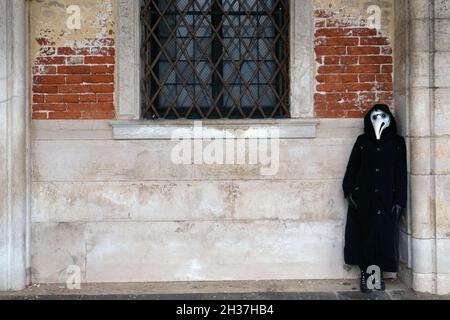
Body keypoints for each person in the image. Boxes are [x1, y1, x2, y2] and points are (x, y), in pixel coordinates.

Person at [343, 104, 407, 293]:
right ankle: (367, 275)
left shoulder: (397, 143)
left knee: (383, 237)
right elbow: (352, 167)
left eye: (382, 115)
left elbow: (401, 173)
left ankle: (376, 275)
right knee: (365, 235)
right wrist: (348, 191)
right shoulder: (362, 141)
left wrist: (400, 200)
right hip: (364, 197)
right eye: (374, 116)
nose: (378, 119)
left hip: (387, 198)